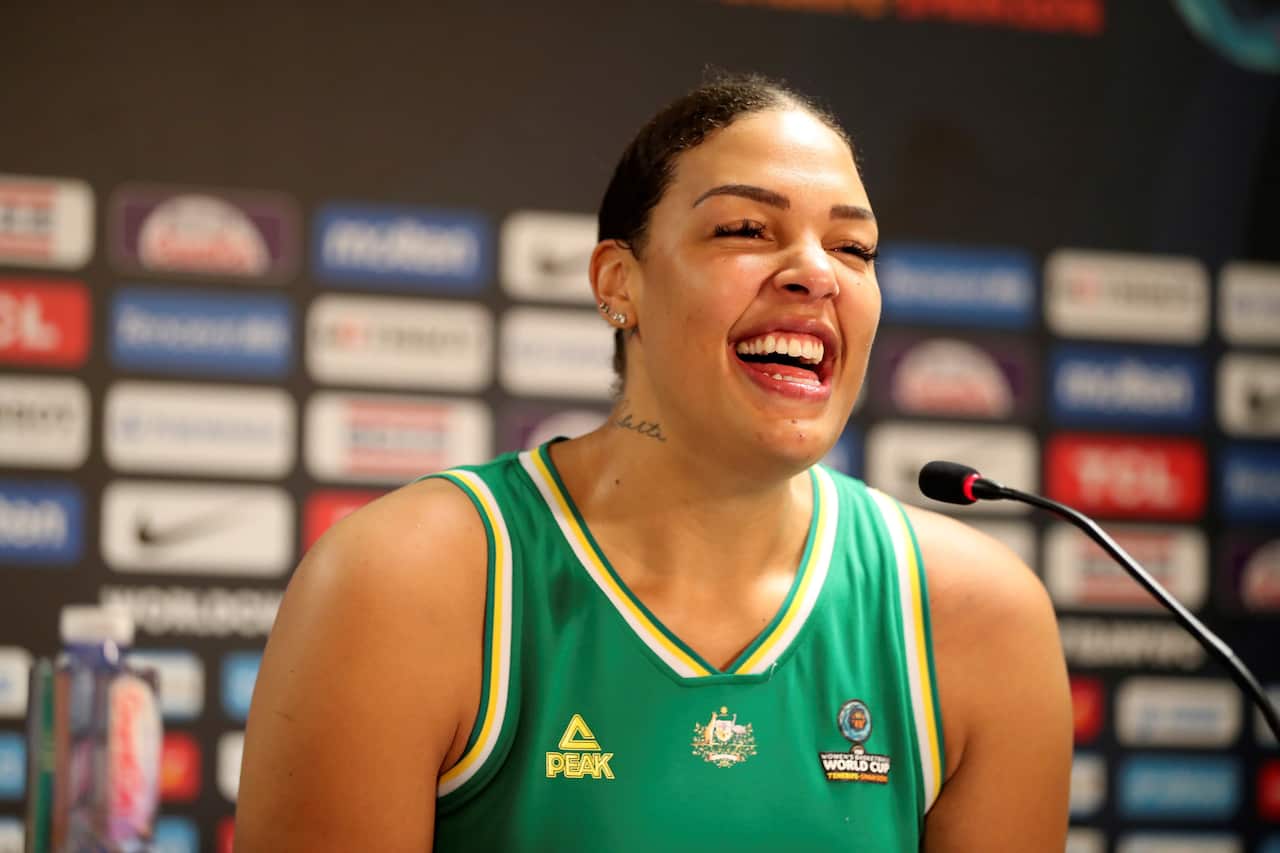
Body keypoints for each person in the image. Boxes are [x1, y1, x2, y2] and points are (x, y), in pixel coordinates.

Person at [234, 72, 1072, 852]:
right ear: (618, 283)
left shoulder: (980, 615)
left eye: (853, 248)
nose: (818, 274)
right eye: (746, 229)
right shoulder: (401, 580)